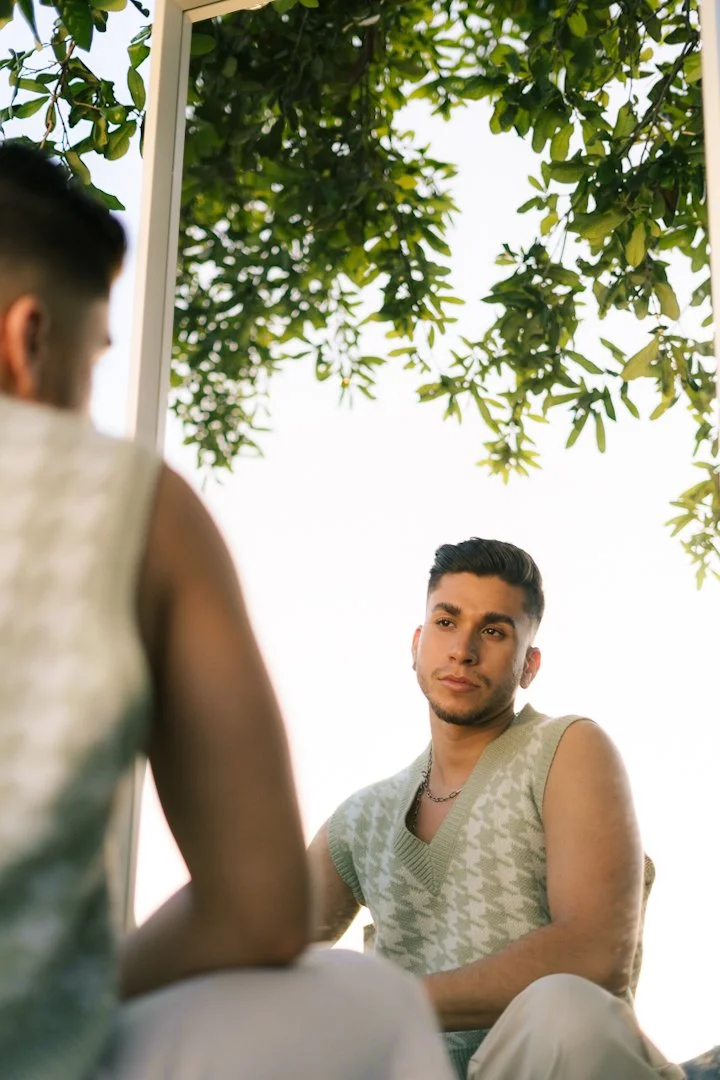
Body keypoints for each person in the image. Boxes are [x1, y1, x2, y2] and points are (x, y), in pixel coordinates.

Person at [0, 141, 454, 1080]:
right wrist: (82, 979)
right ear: (27, 340)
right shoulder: (127, 503)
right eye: (91, 369)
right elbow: (261, 908)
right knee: (368, 999)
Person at [309, 537, 686, 1079]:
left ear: (528, 664)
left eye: (493, 630)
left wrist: (391, 1002)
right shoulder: (360, 819)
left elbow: (592, 956)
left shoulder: (565, 749)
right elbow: (261, 945)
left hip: (548, 1064)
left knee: (567, 1010)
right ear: (417, 643)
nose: (463, 649)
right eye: (446, 622)